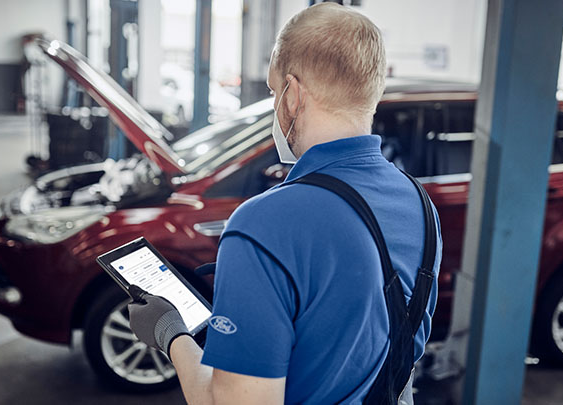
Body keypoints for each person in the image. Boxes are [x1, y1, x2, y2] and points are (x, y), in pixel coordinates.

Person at [128, 3, 441, 403]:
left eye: (274, 91)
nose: (277, 103)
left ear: (292, 95)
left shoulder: (264, 224)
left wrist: (169, 332)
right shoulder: (419, 204)